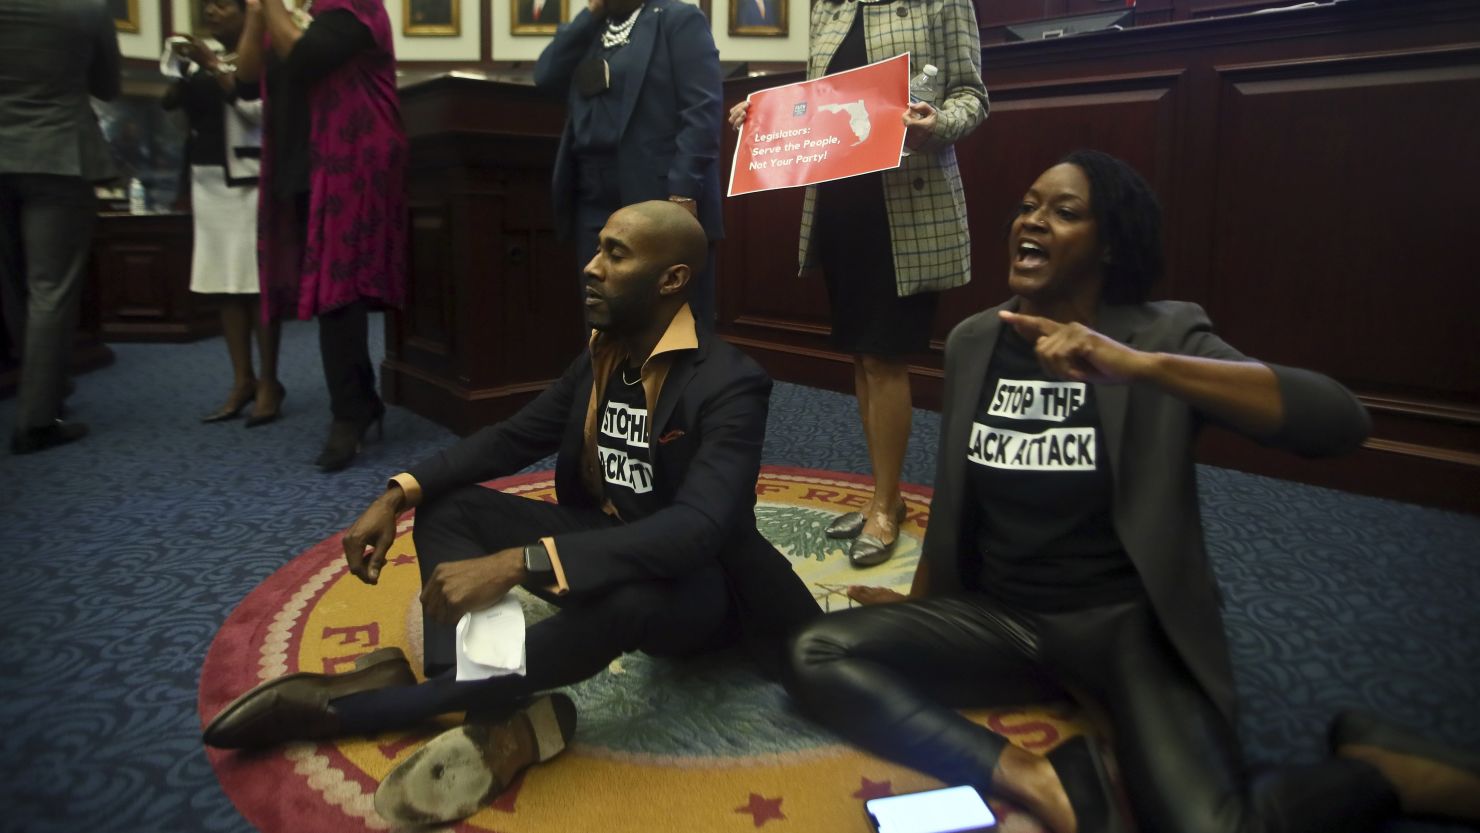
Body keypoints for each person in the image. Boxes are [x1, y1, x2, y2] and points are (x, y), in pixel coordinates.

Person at [783, 151, 1480, 833]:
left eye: (1064, 211)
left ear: (1110, 243)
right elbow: (959, 499)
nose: (1033, 221)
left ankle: (1383, 770)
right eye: (1027, 207)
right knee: (815, 651)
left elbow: (1339, 422)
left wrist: (1143, 368)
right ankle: (1041, 777)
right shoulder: (975, 339)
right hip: (1003, 616)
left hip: (1123, 623)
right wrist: (924, 605)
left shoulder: (1162, 334)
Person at [201, 201, 820, 826]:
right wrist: (398, 493)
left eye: (616, 254)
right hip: (604, 541)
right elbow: (513, 437)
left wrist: (522, 562)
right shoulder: (604, 353)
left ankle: (379, 708)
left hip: (696, 589)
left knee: (629, 600)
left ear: (672, 280)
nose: (591, 267)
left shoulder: (731, 382)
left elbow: (700, 528)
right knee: (447, 507)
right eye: (597, 247)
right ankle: (476, 700)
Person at [728, 0, 987, 567]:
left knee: (885, 356)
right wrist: (764, 114)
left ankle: (886, 507)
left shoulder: (940, 2)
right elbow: (819, 104)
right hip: (843, 206)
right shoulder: (829, 6)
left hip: (907, 209)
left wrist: (935, 123)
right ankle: (879, 494)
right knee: (862, 356)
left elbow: (972, 97)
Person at [234, 0, 407, 470]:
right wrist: (254, 16)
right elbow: (246, 77)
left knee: (339, 290)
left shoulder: (355, 8)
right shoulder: (289, 14)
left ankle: (348, 414)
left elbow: (307, 55)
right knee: (333, 291)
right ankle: (363, 401)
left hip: (352, 156)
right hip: (302, 157)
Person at [534, 0, 723, 325]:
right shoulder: (594, 27)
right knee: (602, 313)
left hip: (657, 196)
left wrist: (682, 196)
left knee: (664, 317)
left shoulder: (678, 19)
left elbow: (701, 113)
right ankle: (608, 378)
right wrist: (590, 13)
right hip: (592, 196)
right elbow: (546, 74)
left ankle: (675, 379)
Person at [0, 0, 120, 455]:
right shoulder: (84, 9)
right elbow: (107, 87)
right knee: (51, 287)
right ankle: (37, 419)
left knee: (12, 285)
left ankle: (43, 385)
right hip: (57, 154)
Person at [162, 0, 284, 426]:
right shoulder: (200, 61)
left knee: (254, 285)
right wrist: (181, 64)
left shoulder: (267, 54)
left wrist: (214, 64)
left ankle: (270, 381)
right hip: (207, 179)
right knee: (224, 285)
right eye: (208, 5)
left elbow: (260, 114)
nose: (212, 12)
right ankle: (242, 380)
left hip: (249, 180)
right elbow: (169, 102)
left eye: (223, 5)